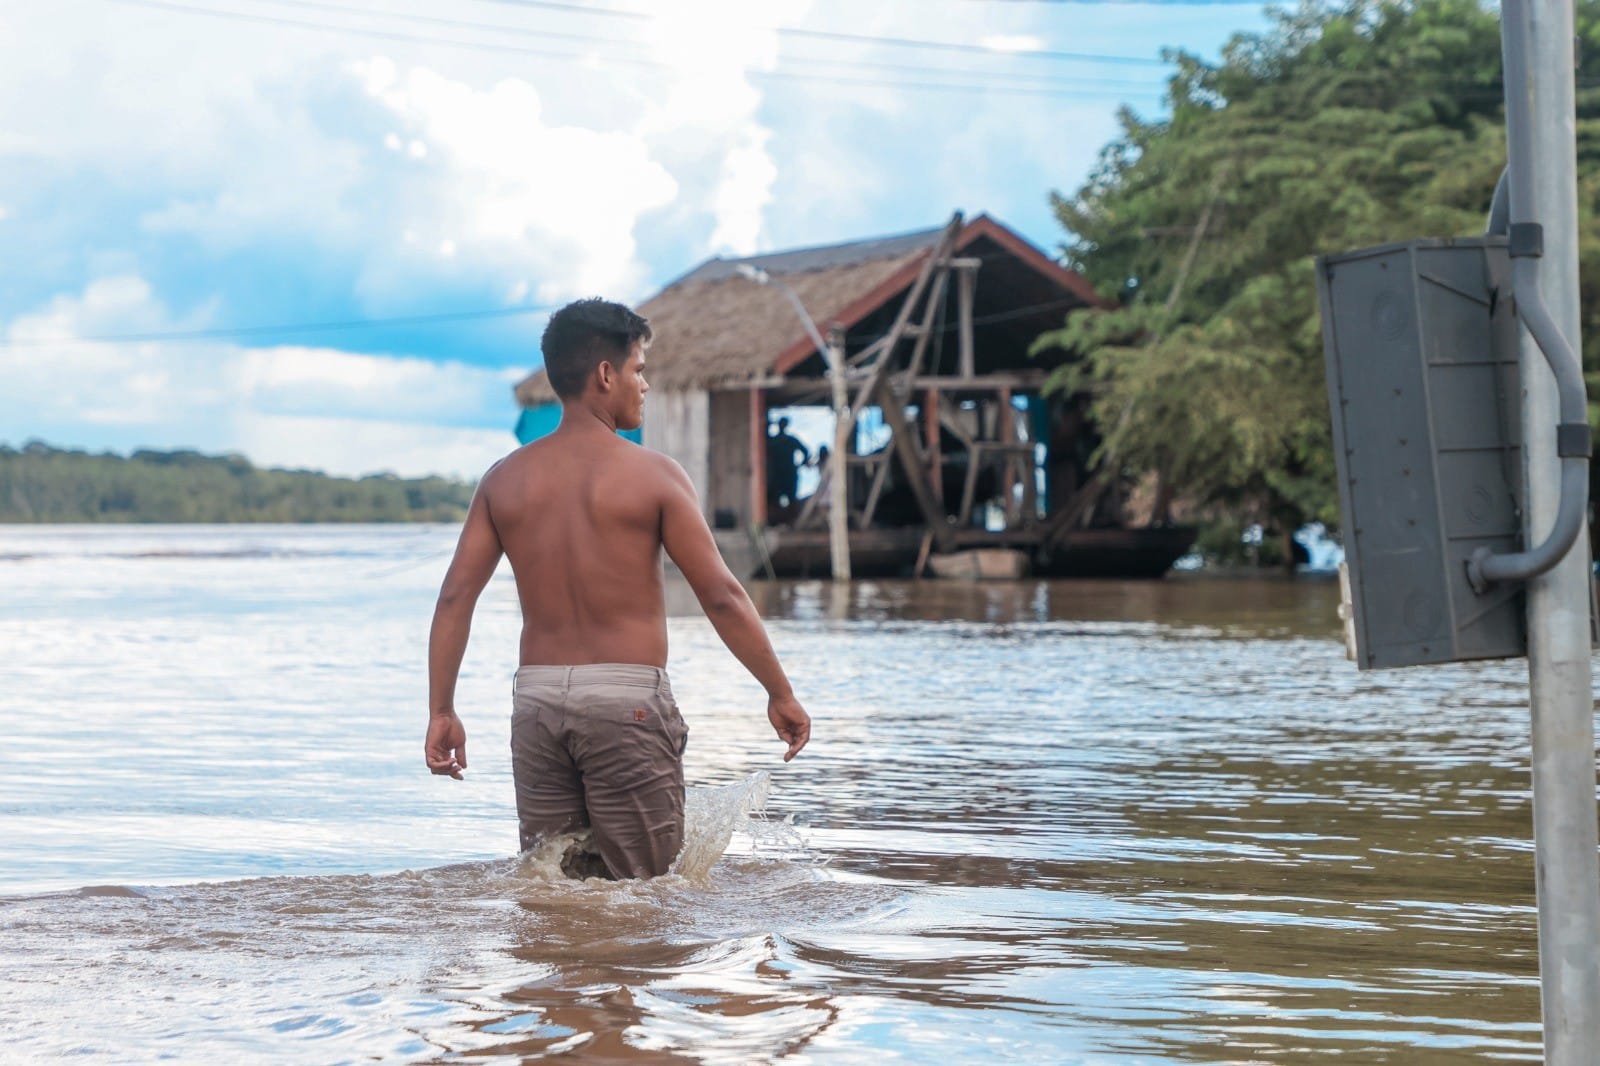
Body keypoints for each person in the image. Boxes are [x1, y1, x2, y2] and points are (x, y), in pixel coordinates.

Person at [424, 298, 812, 880]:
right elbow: (722, 596)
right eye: (638, 369)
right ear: (606, 375)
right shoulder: (653, 475)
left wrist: (442, 709)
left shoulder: (504, 480)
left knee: (555, 890)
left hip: (536, 703)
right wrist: (779, 691)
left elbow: (455, 597)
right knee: (648, 897)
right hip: (624, 701)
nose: (645, 384)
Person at [765, 416, 810, 511]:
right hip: (777, 475)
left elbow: (805, 451)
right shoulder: (774, 441)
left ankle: (792, 520)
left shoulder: (789, 440)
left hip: (788, 474)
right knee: (774, 500)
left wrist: (801, 464)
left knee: (791, 500)